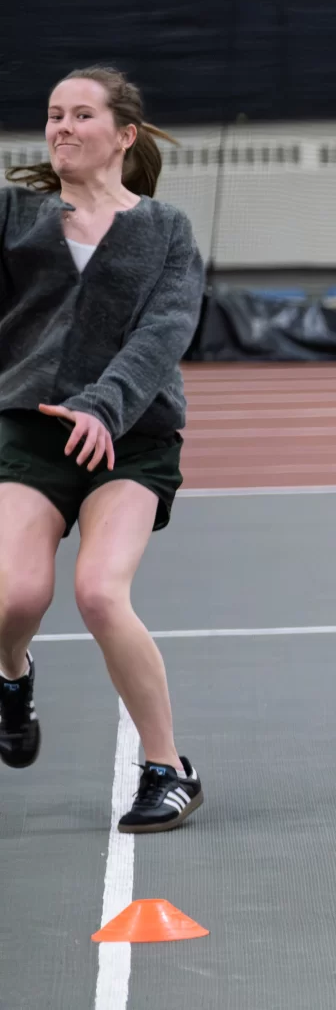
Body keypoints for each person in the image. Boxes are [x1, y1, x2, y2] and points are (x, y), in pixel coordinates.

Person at [0, 67, 207, 833]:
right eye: (52, 114)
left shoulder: (165, 230)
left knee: (98, 592)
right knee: (15, 597)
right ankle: (12, 676)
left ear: (123, 134)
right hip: (29, 428)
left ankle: (169, 767)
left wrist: (103, 407)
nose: (60, 127)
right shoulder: (14, 214)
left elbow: (163, 334)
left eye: (80, 114)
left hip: (132, 436)